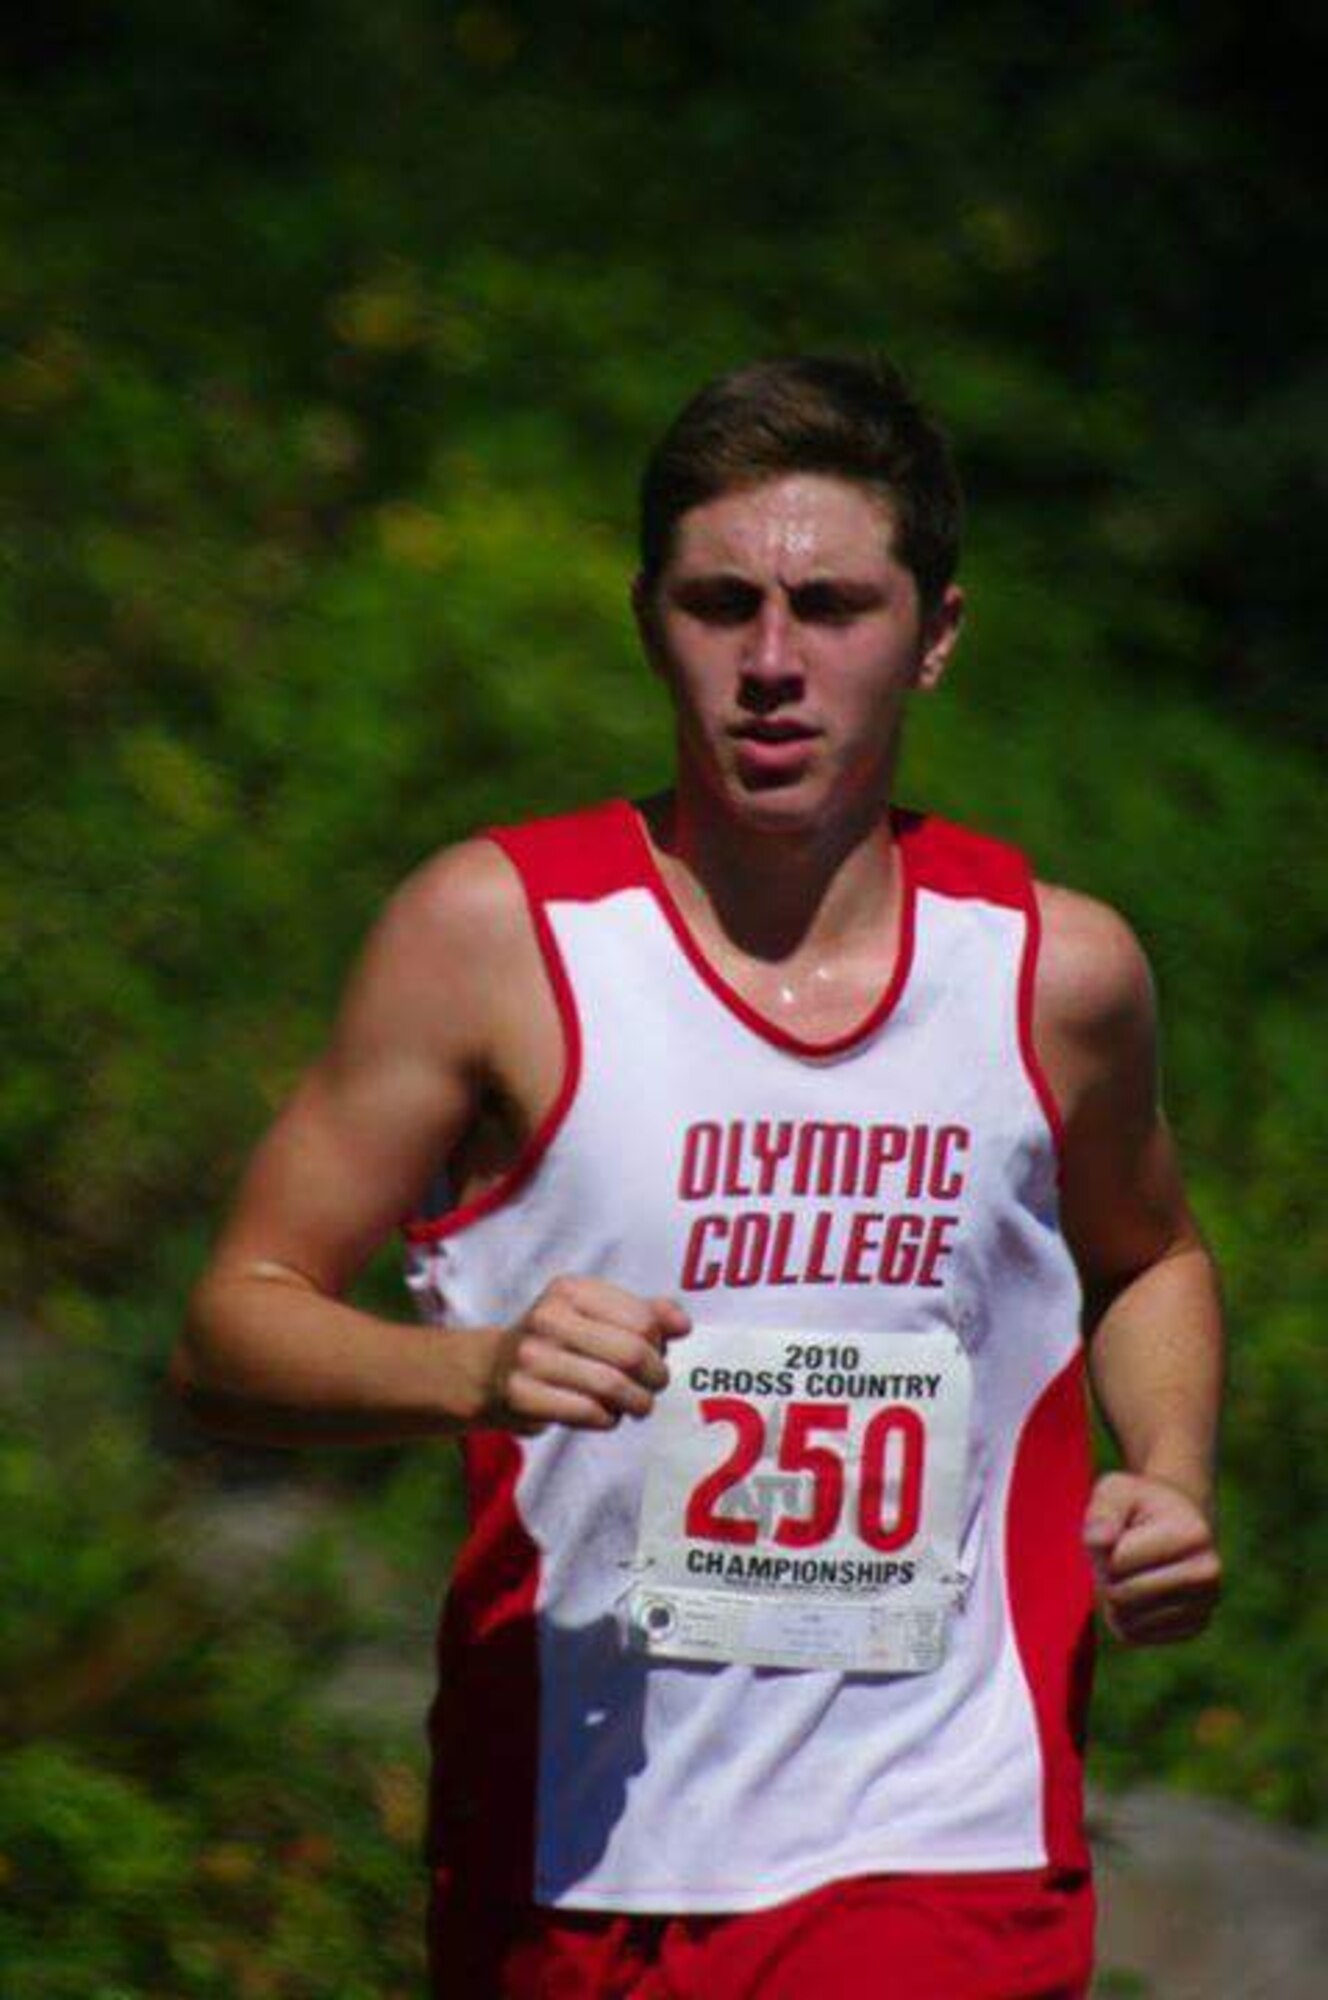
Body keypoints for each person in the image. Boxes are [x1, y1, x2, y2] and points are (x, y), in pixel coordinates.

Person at [172, 355, 1224, 1998]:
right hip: (581, 1839)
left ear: (936, 634)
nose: (775, 665)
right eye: (721, 603)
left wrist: (1170, 1469)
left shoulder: (1051, 971)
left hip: (941, 1839)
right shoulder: (496, 938)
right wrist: (478, 1368)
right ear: (648, 618)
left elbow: (1149, 1254)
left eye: (837, 606)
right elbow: (232, 1329)